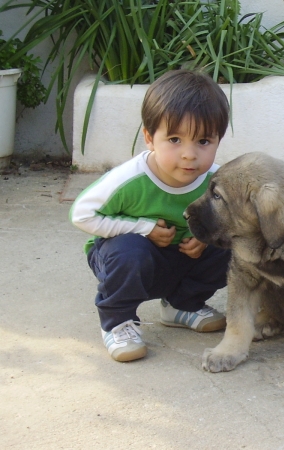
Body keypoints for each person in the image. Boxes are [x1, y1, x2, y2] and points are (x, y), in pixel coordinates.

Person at [70, 69, 231, 362]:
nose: (189, 154)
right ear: (149, 137)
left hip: (183, 261)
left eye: (203, 142)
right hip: (126, 260)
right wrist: (143, 228)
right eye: (174, 139)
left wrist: (208, 239)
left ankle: (182, 305)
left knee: (234, 246)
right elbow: (82, 214)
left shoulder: (217, 180)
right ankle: (117, 322)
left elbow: (231, 219)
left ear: (218, 140)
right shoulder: (129, 179)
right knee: (130, 250)